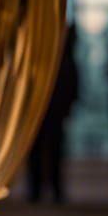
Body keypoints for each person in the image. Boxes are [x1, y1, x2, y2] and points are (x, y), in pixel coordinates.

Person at [28, 23, 77, 203]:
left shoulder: (49, 59)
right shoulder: (60, 59)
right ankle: (40, 190)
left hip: (51, 112)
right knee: (45, 151)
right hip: (48, 113)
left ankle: (45, 190)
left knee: (50, 151)